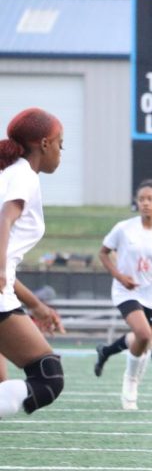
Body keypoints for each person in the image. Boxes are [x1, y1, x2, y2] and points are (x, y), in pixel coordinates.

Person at [94, 182, 152, 398]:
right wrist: (119, 276)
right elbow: (103, 253)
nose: (145, 203)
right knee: (146, 334)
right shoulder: (124, 228)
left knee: (143, 339)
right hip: (125, 290)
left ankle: (106, 351)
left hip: (151, 294)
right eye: (141, 199)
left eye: (150, 199)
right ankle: (135, 382)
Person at [0, 107, 66, 419]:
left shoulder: (9, 173)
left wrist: (36, 305)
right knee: (47, 378)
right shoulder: (24, 175)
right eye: (60, 144)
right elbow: (5, 219)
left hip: (6, 291)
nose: (60, 152)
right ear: (44, 144)